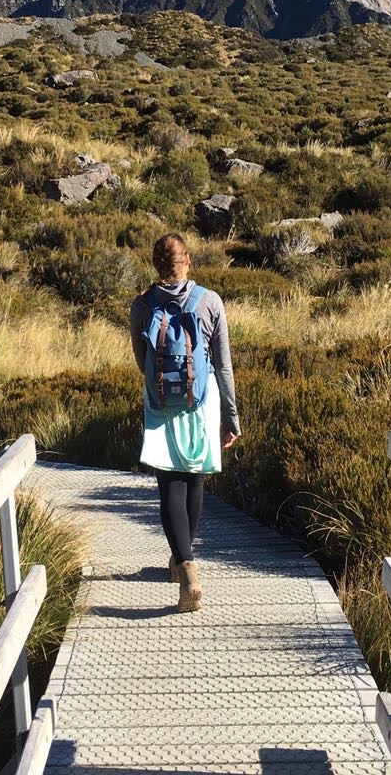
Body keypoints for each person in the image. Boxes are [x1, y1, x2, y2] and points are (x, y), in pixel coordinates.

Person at [129, 232, 240, 612]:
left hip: (161, 406)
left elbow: (141, 360)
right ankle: (185, 561)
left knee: (169, 487)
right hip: (202, 405)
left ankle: (183, 564)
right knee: (195, 480)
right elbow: (222, 365)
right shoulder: (209, 301)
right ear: (187, 260)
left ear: (156, 264)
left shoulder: (142, 306)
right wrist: (231, 416)